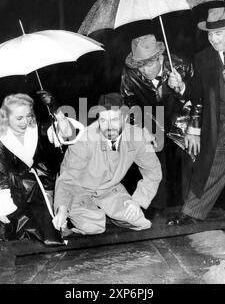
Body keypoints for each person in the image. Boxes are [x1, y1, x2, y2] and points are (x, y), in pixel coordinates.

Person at [167, 7, 225, 228]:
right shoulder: (204, 58)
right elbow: (198, 91)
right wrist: (181, 86)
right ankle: (191, 212)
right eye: (210, 34)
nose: (213, 39)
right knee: (210, 167)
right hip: (223, 126)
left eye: (218, 33)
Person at [0, 93, 79, 245]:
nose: (25, 122)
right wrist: (2, 210)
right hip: (5, 190)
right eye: (19, 118)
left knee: (51, 231)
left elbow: (68, 133)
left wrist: (55, 109)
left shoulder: (36, 130)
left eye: (28, 116)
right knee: (9, 232)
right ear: (6, 117)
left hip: (33, 188)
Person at [52, 93, 162, 235]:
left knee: (139, 221)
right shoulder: (84, 139)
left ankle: (109, 215)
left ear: (125, 117)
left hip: (109, 190)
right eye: (103, 120)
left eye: (115, 120)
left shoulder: (137, 136)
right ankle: (88, 215)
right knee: (93, 227)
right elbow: (67, 178)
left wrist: (138, 201)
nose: (109, 127)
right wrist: (61, 209)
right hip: (79, 190)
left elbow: (153, 171)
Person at [121, 34, 202, 208]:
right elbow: (129, 103)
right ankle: (159, 213)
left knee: (187, 168)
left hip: (183, 120)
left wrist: (194, 129)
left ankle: (189, 210)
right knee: (156, 171)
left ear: (161, 57)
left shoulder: (181, 65)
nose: (145, 70)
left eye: (149, 64)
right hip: (153, 122)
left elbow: (199, 97)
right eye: (140, 65)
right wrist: (140, 128)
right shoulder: (129, 73)